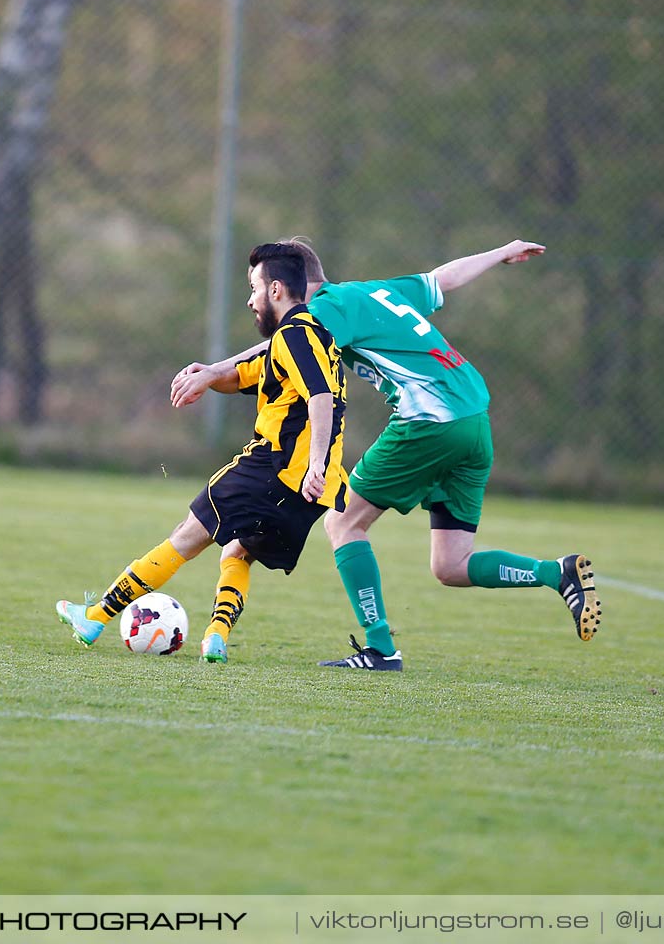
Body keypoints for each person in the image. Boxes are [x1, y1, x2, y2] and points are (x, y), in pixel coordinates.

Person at [172, 238, 598, 671]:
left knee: (343, 521)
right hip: (473, 421)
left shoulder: (325, 309)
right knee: (451, 565)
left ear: (287, 284)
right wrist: (500, 252)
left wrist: (212, 372)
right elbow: (443, 279)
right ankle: (555, 573)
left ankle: (381, 649)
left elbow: (280, 347)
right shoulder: (377, 290)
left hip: (428, 420)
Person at [56, 242, 348, 664]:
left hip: (278, 469)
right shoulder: (316, 339)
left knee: (186, 536)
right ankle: (215, 637)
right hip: (312, 492)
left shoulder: (294, 335)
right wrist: (208, 377)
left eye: (255, 288)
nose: (250, 299)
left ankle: (96, 617)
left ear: (278, 290)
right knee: (237, 551)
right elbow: (249, 376)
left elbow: (321, 398)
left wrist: (314, 464)